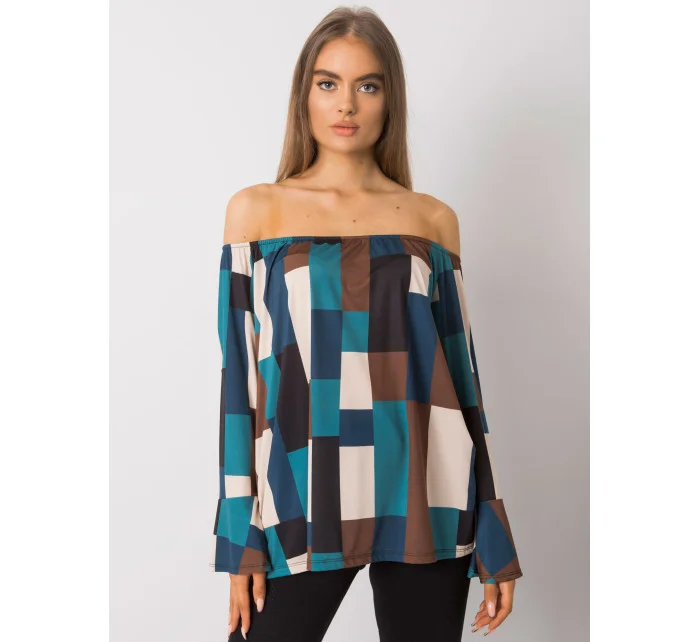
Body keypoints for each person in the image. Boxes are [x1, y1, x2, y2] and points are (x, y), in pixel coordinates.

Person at [210, 6, 523, 641]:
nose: (346, 103)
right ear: (304, 95)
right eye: (328, 83)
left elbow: (462, 383)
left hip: (426, 492)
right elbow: (239, 385)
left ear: (389, 99)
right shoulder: (257, 212)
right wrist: (238, 529)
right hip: (303, 493)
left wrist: (491, 523)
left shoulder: (430, 220)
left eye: (367, 85)